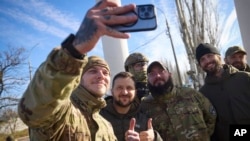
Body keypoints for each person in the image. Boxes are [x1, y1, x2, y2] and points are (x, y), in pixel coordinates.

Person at [17, 0, 138, 140]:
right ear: (80, 77)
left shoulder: (105, 125)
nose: (101, 76)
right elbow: (35, 111)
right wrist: (74, 50)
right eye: (93, 71)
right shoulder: (64, 111)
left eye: (105, 73)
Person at [140, 61, 216, 141]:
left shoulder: (191, 94)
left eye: (161, 71)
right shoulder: (145, 106)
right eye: (152, 74)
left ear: (170, 74)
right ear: (148, 80)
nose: (158, 76)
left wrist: (204, 136)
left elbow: (211, 116)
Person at [195, 43, 250, 141]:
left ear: (219, 57)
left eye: (209, 56)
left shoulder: (245, 78)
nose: (207, 61)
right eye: (202, 59)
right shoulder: (202, 94)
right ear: (200, 66)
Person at [100, 71, 162, 141]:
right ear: (112, 91)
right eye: (119, 88)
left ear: (135, 92)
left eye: (129, 88)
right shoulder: (99, 116)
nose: (124, 92)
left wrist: (154, 138)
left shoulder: (144, 118)